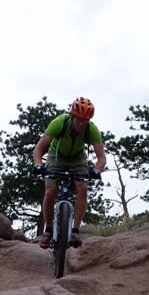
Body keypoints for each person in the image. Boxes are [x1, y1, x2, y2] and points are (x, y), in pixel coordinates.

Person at [33, 96, 106, 248]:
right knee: (50, 192)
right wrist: (39, 165)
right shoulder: (59, 123)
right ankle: (48, 230)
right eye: (79, 119)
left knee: (83, 188)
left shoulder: (91, 130)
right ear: (73, 116)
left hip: (78, 157)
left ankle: (75, 231)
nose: (81, 123)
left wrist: (96, 170)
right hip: (56, 155)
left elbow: (101, 158)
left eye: (85, 120)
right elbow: (39, 149)